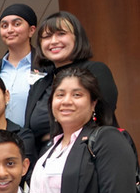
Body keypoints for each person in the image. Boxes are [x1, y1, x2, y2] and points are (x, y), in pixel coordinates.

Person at [26, 11, 119, 151]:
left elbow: (103, 115)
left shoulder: (95, 70)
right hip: (46, 161)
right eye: (47, 36)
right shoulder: (40, 83)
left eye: (61, 34)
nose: (54, 41)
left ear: (77, 38)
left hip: (90, 155)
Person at [0, 3, 46, 127]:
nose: (10, 30)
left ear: (31, 30)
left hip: (36, 141)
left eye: (16, 24)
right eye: (4, 25)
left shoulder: (46, 66)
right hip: (0, 141)